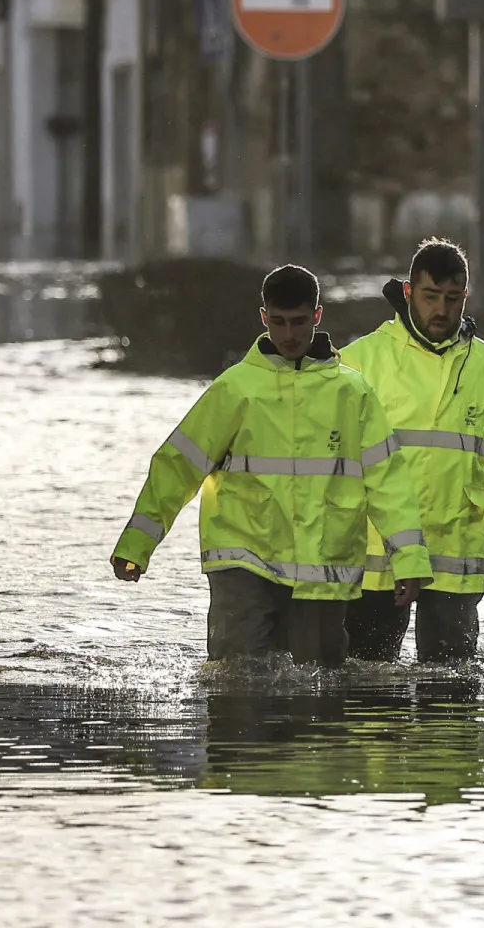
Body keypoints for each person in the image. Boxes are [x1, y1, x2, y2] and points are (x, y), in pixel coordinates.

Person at [109, 264, 434, 667]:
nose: (289, 334)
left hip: (323, 569)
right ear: (264, 318)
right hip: (244, 564)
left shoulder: (353, 394)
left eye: (299, 322)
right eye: (278, 322)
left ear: (317, 316)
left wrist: (409, 559)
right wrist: (137, 546)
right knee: (238, 683)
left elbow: (389, 483)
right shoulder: (235, 389)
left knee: (320, 700)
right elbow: (177, 466)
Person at [340, 238, 484, 663]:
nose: (441, 310)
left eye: (452, 298)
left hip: (454, 556)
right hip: (376, 555)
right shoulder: (360, 361)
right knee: (367, 698)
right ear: (408, 293)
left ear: (466, 297)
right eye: (430, 297)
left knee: (451, 697)